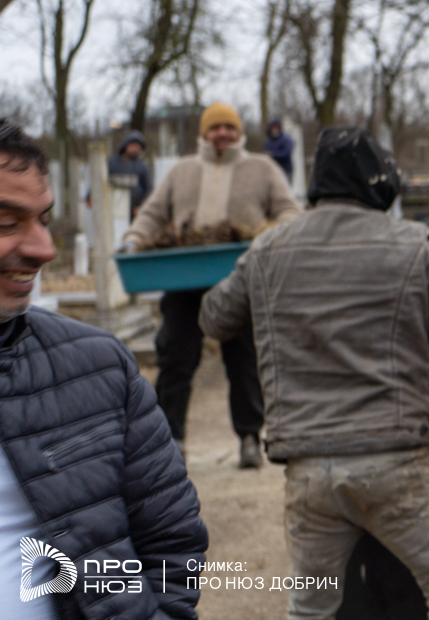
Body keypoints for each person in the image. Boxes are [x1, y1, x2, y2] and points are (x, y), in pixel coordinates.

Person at [200, 126, 429, 620]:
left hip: (308, 469)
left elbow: (214, 318)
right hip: (391, 460)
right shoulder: (409, 243)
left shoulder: (267, 250)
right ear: (381, 181)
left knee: (309, 608)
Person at [0, 119, 208, 620]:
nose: (45, 249)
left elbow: (171, 540)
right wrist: (134, 239)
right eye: (6, 221)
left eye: (44, 219)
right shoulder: (163, 173)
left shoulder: (98, 368)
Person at [122, 101, 300, 467]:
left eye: (229, 128)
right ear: (204, 133)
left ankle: (249, 438)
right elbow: (153, 213)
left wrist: (268, 233)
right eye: (215, 127)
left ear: (239, 132)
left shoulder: (262, 168)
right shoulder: (182, 170)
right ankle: (171, 439)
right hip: (183, 279)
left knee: (244, 360)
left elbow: (288, 211)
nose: (223, 134)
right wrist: (133, 240)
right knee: (175, 357)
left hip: (241, 280)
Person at [107, 129, 154, 214]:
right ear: (126, 144)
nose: (136, 149)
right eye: (134, 145)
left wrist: (141, 207)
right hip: (113, 209)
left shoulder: (143, 166)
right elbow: (100, 180)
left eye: (138, 147)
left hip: (134, 211)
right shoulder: (111, 163)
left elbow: (149, 188)